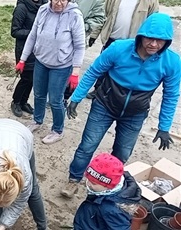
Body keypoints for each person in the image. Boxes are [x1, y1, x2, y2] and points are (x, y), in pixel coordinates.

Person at [61, 13, 180, 198]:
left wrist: (164, 127)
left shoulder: (172, 62)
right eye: (150, 38)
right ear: (141, 35)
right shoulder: (118, 48)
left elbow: (171, 95)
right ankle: (74, 179)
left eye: (160, 40)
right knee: (87, 145)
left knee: (122, 153)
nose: (154, 44)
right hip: (105, 105)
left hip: (135, 113)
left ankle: (109, 185)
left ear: (167, 42)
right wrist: (77, 97)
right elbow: (94, 71)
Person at [15, 0, 85, 144]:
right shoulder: (43, 10)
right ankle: (37, 120)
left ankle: (57, 130)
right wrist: (22, 60)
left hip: (61, 65)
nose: (58, 3)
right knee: (39, 94)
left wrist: (75, 72)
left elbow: (79, 46)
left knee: (55, 99)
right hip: (41, 61)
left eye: (63, 0)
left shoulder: (75, 16)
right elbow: (32, 36)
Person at [85, 0, 159, 99]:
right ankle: (98, 90)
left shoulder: (150, 1)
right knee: (103, 68)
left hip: (133, 44)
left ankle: (119, 97)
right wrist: (94, 34)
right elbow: (103, 15)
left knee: (126, 71)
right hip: (112, 40)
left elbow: (153, 23)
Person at [73, 153, 142, 230]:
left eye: (93, 183)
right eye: (88, 179)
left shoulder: (110, 210)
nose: (88, 184)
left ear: (108, 186)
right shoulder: (102, 191)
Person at [63, 0, 105, 106]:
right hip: (56, 35)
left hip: (76, 39)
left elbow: (99, 18)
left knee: (71, 69)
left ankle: (64, 97)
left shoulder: (97, 1)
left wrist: (83, 26)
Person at [10, 0, 48, 117]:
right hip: (24, 49)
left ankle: (23, 102)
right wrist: (34, 33)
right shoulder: (21, 8)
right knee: (26, 77)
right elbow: (15, 31)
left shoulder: (44, 7)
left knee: (33, 78)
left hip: (38, 49)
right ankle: (15, 101)